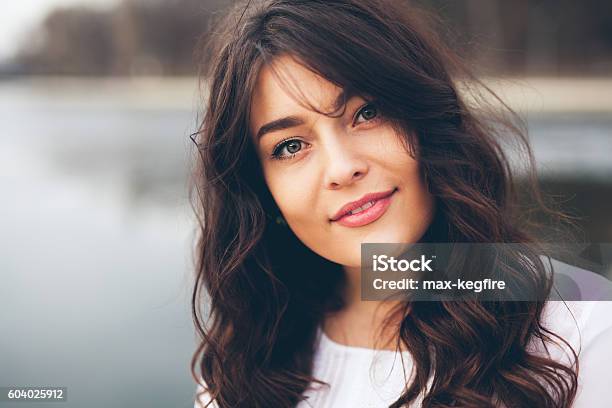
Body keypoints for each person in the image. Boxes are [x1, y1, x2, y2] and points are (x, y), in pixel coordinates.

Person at [189, 0, 612, 407]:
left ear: (425, 117)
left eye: (367, 112)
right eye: (291, 146)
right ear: (263, 194)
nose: (342, 167)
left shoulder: (580, 326)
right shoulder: (242, 366)